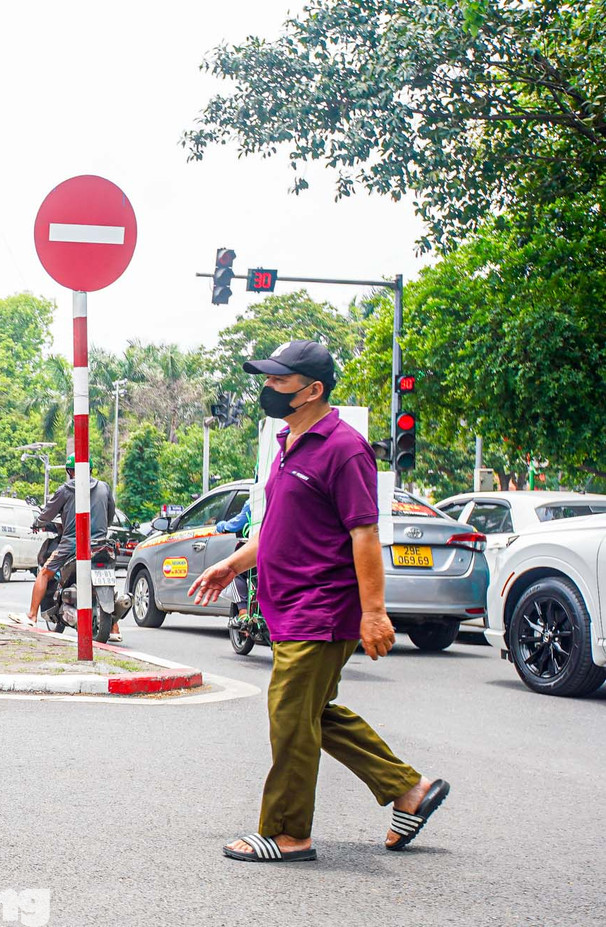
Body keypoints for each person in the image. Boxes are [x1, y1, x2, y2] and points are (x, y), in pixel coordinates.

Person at [188, 340, 448, 864]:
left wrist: (374, 612)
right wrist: (234, 564)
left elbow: (364, 533)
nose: (267, 388)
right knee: (312, 712)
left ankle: (287, 834)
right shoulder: (289, 441)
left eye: (278, 381)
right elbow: (280, 526)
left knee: (289, 714)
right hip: (289, 606)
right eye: (267, 379)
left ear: (312, 391)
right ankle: (409, 790)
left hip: (322, 607)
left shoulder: (344, 449)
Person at [25, 459, 119, 640]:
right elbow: (110, 514)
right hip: (101, 544)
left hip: (72, 543)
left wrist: (37, 523)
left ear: (70, 471)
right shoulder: (104, 487)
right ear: (90, 469)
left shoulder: (65, 490)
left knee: (44, 573)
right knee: (107, 578)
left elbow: (48, 514)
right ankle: (114, 627)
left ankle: (32, 615)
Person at [215, 500, 252, 619]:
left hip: (261, 549)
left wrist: (221, 526)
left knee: (236, 571)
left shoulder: (254, 500)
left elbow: (235, 525)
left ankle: (243, 611)